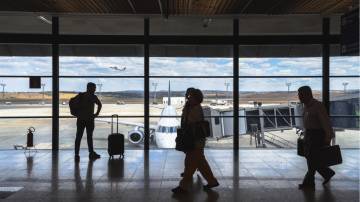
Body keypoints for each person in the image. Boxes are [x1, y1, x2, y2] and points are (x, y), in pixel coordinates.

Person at [172, 88, 219, 194]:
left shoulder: (195, 108)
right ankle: (212, 181)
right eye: (187, 96)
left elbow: (190, 123)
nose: (188, 97)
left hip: (195, 140)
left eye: (190, 96)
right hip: (195, 140)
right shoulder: (190, 107)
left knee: (190, 164)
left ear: (195, 98)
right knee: (201, 162)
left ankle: (183, 186)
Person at [297, 86, 335, 189]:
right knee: (312, 159)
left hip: (317, 137)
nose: (299, 97)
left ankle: (308, 183)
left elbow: (326, 123)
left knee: (312, 160)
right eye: (299, 95)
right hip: (309, 135)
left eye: (301, 95)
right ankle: (327, 173)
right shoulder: (306, 106)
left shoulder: (318, 106)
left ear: (308, 94)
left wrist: (328, 139)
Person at [75, 82, 102, 161]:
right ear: (90, 88)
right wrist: (96, 114)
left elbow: (74, 104)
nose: (95, 89)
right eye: (94, 88)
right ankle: (91, 153)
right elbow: (100, 105)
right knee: (89, 137)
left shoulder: (80, 96)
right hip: (89, 119)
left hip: (80, 119)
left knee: (78, 137)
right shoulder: (93, 97)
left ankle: (77, 154)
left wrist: (78, 114)